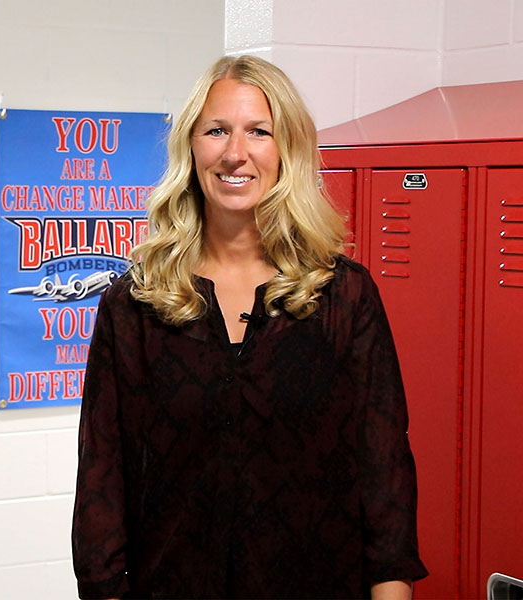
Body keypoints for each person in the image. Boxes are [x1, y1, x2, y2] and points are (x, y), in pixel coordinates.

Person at [71, 55, 427, 599]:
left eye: (258, 132)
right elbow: (102, 478)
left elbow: (385, 475)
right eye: (216, 130)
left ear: (285, 150)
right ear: (191, 148)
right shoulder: (135, 304)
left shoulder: (344, 297)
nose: (235, 153)